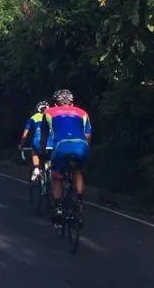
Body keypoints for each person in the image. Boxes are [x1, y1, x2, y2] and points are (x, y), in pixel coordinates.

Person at [45, 89, 91, 220]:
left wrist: (44, 150)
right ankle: (80, 201)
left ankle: (58, 207)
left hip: (61, 146)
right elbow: (88, 135)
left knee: (57, 176)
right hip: (81, 146)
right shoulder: (83, 113)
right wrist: (87, 151)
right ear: (72, 104)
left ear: (55, 104)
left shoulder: (49, 112)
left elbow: (45, 134)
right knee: (78, 171)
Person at [19, 100, 54, 181]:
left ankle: (36, 168)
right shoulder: (52, 116)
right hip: (52, 142)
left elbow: (25, 134)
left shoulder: (33, 118)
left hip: (38, 141)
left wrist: (21, 144)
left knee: (34, 150)